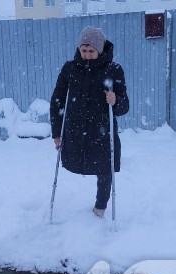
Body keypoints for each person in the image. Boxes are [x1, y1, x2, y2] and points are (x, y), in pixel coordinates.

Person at [50, 26, 129, 218]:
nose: (86, 55)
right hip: (75, 131)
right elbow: (58, 100)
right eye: (83, 51)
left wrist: (116, 100)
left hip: (102, 131)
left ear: (100, 50)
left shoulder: (113, 70)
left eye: (91, 51)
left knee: (105, 170)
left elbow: (124, 106)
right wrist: (57, 133)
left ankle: (100, 207)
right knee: (85, 164)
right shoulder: (70, 69)